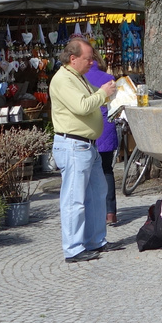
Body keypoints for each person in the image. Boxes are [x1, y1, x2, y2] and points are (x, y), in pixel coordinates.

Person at [50, 39, 117, 262]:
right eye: (88, 58)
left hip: (88, 145)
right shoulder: (62, 79)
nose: (92, 62)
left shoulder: (77, 77)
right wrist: (102, 93)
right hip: (73, 145)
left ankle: (95, 241)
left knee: (98, 195)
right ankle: (73, 248)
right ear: (73, 59)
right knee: (74, 199)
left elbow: (89, 103)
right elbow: (82, 106)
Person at [82, 50, 121, 228]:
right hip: (107, 126)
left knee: (87, 171)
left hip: (88, 128)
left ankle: (91, 212)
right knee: (107, 170)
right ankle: (110, 212)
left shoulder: (80, 78)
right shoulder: (108, 78)